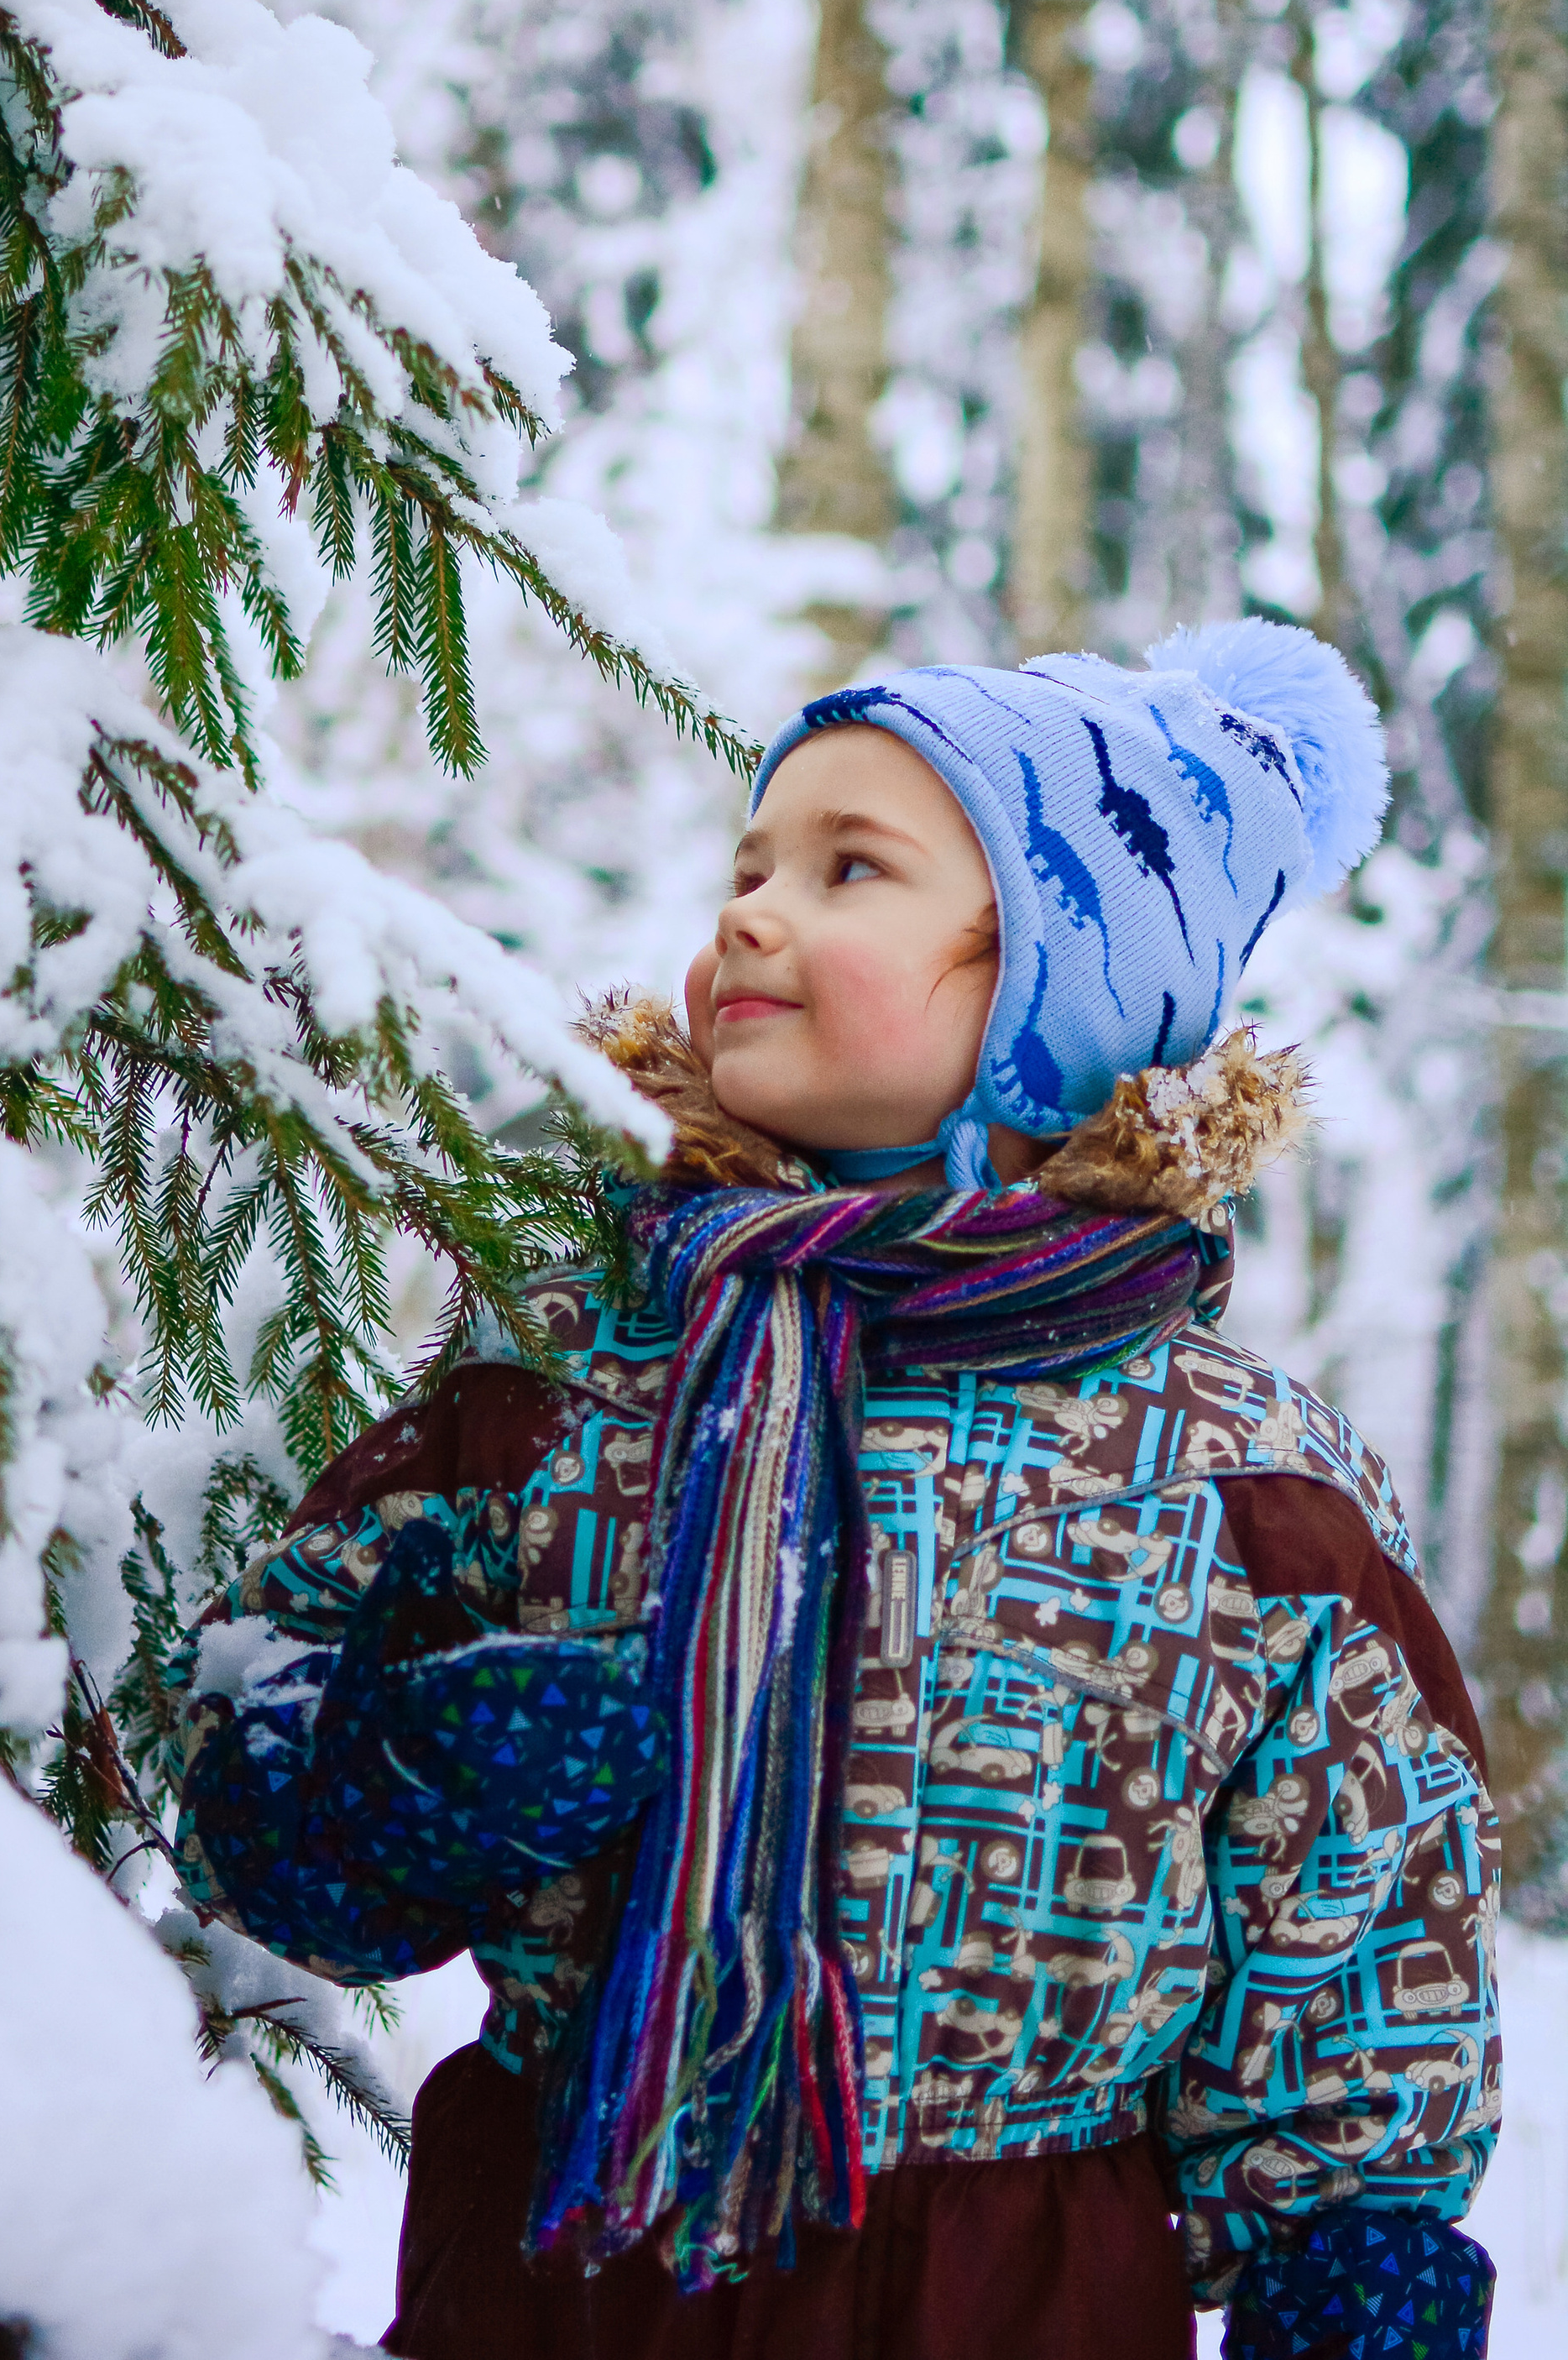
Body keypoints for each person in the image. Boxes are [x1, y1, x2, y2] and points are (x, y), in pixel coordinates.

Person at [173, 620, 1501, 2359]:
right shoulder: (566, 1383)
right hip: (572, 2268)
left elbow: (1363, 1914)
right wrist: (402, 1786)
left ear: (1063, 977)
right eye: (748, 863)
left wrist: (1352, 2273)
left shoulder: (1239, 1476)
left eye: (846, 865)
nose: (746, 910)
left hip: (1013, 2293)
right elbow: (248, 1768)